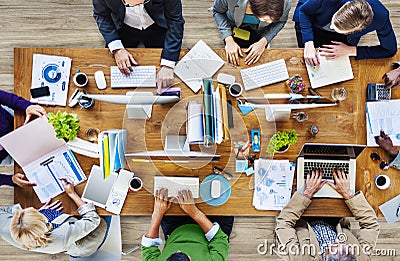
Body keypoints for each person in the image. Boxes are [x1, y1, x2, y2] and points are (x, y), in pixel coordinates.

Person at [275, 169, 380, 260]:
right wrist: (347, 194)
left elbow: (284, 224)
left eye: (335, 245)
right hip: (333, 219)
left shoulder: (299, 257)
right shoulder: (360, 257)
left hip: (301, 221)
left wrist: (307, 193)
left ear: (326, 255)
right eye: (346, 246)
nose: (338, 240)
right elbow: (371, 225)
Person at [0, 178, 108, 257]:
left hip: (61, 235)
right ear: (44, 222)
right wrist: (71, 193)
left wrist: (38, 213)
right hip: (83, 242)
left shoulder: (3, 225)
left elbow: (3, 211)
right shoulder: (62, 235)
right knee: (104, 219)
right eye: (40, 215)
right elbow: (93, 219)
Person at [92, 0, 185, 90]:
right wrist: (117, 48)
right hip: (124, 27)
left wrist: (168, 64)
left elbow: (175, 21)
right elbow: (101, 15)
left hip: (157, 26)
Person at [293, 0, 397, 66]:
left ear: (359, 30)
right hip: (314, 21)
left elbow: (389, 50)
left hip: (343, 40)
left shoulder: (381, 16)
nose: (331, 27)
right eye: (334, 23)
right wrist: (308, 42)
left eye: (336, 28)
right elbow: (304, 11)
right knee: (307, 59)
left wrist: (352, 50)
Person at [141, 189, 232, 260]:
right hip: (212, 229)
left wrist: (157, 213)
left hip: (176, 229)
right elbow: (219, 239)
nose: (179, 249)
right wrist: (195, 213)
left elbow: (148, 248)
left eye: (175, 253)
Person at [212, 0, 291, 66]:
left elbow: (281, 21)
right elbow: (217, 11)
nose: (269, 22)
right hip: (233, 24)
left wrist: (264, 41)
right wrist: (228, 39)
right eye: (265, 19)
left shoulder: (286, 2)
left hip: (261, 30)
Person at [0, 90, 46, 164]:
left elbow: (8, 98)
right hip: (7, 151)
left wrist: (27, 106)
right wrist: (10, 176)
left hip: (12, 123)